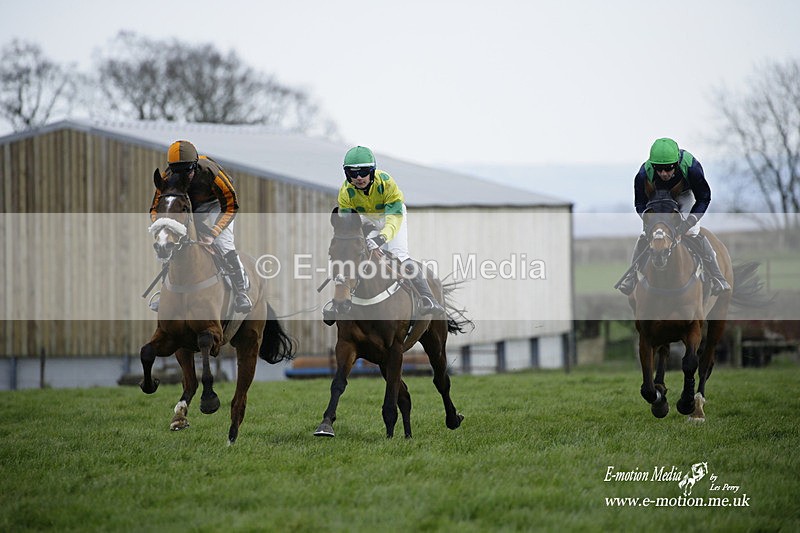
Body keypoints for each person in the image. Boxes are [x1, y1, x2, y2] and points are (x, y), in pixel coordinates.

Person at [332, 145, 445, 318]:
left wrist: (382, 237)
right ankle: (339, 300)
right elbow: (348, 223)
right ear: (348, 175)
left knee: (398, 254)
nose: (359, 177)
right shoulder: (345, 191)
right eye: (353, 174)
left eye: (363, 172)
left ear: (372, 171)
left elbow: (393, 219)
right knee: (349, 251)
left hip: (391, 215)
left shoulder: (386, 183)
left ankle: (427, 298)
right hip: (365, 217)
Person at [617, 137, 731, 296]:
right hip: (656, 199)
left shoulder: (692, 168)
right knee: (645, 235)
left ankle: (716, 277)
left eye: (668, 169)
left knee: (693, 232)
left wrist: (689, 222)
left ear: (677, 164)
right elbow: (640, 204)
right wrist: (649, 221)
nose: (663, 173)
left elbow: (704, 198)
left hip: (683, 196)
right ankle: (631, 276)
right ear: (653, 166)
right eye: (659, 169)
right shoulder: (643, 173)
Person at [149, 140, 252, 313]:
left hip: (217, 205)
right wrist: (164, 227)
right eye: (177, 172)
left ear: (195, 165)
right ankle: (165, 292)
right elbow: (155, 209)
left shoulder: (212, 173)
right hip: (187, 206)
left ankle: (241, 291)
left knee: (223, 243)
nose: (182, 177)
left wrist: (213, 233)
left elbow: (231, 206)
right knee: (172, 243)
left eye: (186, 171)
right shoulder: (167, 178)